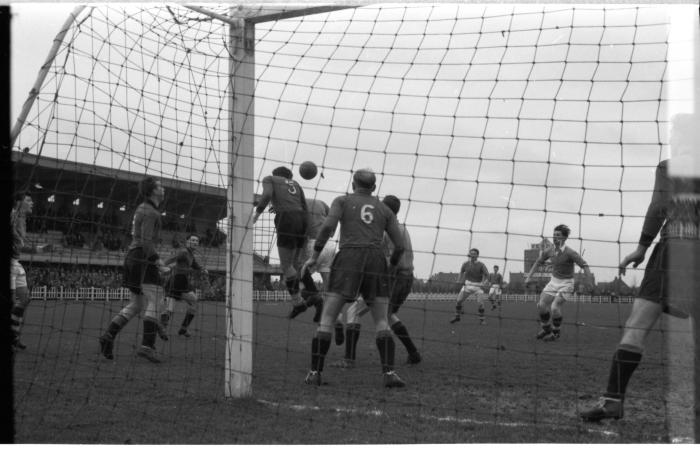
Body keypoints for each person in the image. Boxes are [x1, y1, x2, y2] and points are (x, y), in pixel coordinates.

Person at [580, 113, 700, 426]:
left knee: (638, 324)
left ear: (683, 137)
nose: (671, 138)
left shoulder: (669, 166)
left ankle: (612, 402)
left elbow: (659, 206)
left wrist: (643, 247)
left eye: (674, 133)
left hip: (675, 249)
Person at [301, 168, 406, 388]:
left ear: (353, 184)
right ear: (374, 187)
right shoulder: (385, 209)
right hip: (376, 259)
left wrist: (314, 257)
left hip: (349, 256)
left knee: (328, 316)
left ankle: (314, 373)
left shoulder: (342, 201)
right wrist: (390, 267)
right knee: (381, 320)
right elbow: (400, 246)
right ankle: (389, 373)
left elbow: (328, 227)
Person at [332, 195, 421, 369]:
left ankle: (349, 359)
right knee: (387, 315)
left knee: (353, 312)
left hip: (392, 278)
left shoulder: (385, 231)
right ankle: (414, 353)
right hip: (407, 278)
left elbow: (383, 259)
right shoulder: (402, 228)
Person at [99, 177, 170, 363]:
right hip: (141, 258)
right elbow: (146, 241)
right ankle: (147, 346)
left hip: (133, 257)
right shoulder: (150, 212)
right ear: (153, 191)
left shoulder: (143, 208)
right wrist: (159, 261)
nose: (163, 188)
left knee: (137, 304)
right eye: (160, 185)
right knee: (156, 297)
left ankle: (108, 336)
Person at [525, 224, 592, 342]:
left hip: (567, 283)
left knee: (555, 307)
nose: (555, 238)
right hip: (553, 282)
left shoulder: (570, 252)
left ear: (565, 238)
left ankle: (555, 334)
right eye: (554, 235)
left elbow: (585, 265)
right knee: (541, 305)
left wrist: (589, 281)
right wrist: (529, 277)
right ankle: (546, 328)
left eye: (558, 235)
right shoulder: (549, 251)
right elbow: (537, 262)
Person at [253, 166, 308, 308]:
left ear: (275, 174)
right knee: (294, 264)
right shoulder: (296, 184)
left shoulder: (270, 178)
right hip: (302, 220)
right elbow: (304, 206)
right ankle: (303, 293)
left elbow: (266, 195)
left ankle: (298, 301)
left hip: (286, 219)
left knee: (286, 265)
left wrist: (256, 215)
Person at [288, 197, 337, 327]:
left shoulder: (297, 206)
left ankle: (313, 300)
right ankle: (329, 316)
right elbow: (334, 215)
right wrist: (332, 232)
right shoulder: (321, 202)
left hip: (312, 243)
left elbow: (299, 228)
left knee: (297, 274)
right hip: (329, 244)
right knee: (328, 285)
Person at [160, 234, 208, 338]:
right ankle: (167, 329)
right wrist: (162, 266)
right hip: (176, 281)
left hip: (182, 282)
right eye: (193, 240)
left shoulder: (190, 254)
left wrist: (202, 269)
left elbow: (196, 265)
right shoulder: (184, 252)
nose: (195, 242)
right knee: (171, 308)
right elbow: (172, 258)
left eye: (197, 241)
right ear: (188, 242)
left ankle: (181, 328)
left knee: (192, 302)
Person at [10, 191, 34, 350]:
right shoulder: (12, 215)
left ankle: (13, 335)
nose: (32, 203)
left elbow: (20, 246)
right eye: (29, 200)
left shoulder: (22, 220)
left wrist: (39, 249)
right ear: (19, 202)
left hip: (16, 263)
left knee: (24, 299)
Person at [449, 248, 490, 325]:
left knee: (480, 303)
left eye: (474, 254)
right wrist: (459, 280)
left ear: (477, 255)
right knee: (459, 301)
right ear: (470, 255)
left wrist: (484, 283)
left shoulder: (481, 265)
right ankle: (457, 317)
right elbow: (461, 272)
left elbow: (488, 276)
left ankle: (482, 320)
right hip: (467, 285)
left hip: (478, 286)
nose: (472, 255)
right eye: (471, 253)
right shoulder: (465, 264)